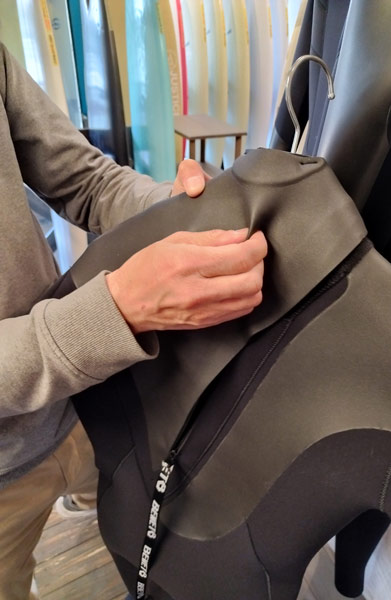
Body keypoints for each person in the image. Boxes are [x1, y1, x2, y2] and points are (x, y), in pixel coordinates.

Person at [0, 42, 267, 600]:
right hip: (7, 469)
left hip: (89, 407)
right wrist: (115, 310)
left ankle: (81, 501)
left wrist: (172, 208)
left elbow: (85, 179)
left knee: (147, 532)